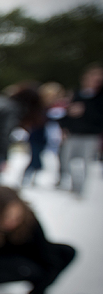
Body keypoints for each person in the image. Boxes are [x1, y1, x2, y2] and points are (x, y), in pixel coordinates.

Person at [57, 63, 103, 197]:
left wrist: (85, 111)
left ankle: (79, 190)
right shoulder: (76, 94)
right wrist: (64, 127)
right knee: (67, 161)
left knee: (83, 163)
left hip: (90, 135)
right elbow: (65, 113)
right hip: (73, 133)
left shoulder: (99, 98)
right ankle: (72, 184)